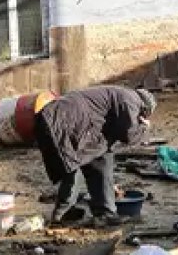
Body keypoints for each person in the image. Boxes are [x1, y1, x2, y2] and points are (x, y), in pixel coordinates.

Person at [34, 85, 156, 224]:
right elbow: (129, 134)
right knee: (74, 167)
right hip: (64, 122)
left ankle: (102, 212)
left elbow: (111, 134)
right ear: (145, 109)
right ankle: (65, 214)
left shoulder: (119, 96)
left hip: (60, 119)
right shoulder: (132, 101)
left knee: (100, 159)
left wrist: (111, 186)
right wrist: (144, 127)